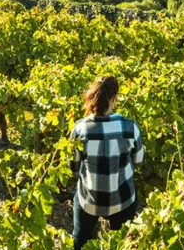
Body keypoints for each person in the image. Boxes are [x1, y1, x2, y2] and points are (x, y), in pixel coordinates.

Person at [68, 75, 144, 250]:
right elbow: (138, 161)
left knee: (80, 240)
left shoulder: (80, 129)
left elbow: (73, 168)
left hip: (89, 201)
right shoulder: (130, 127)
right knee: (124, 243)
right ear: (114, 97)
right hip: (123, 200)